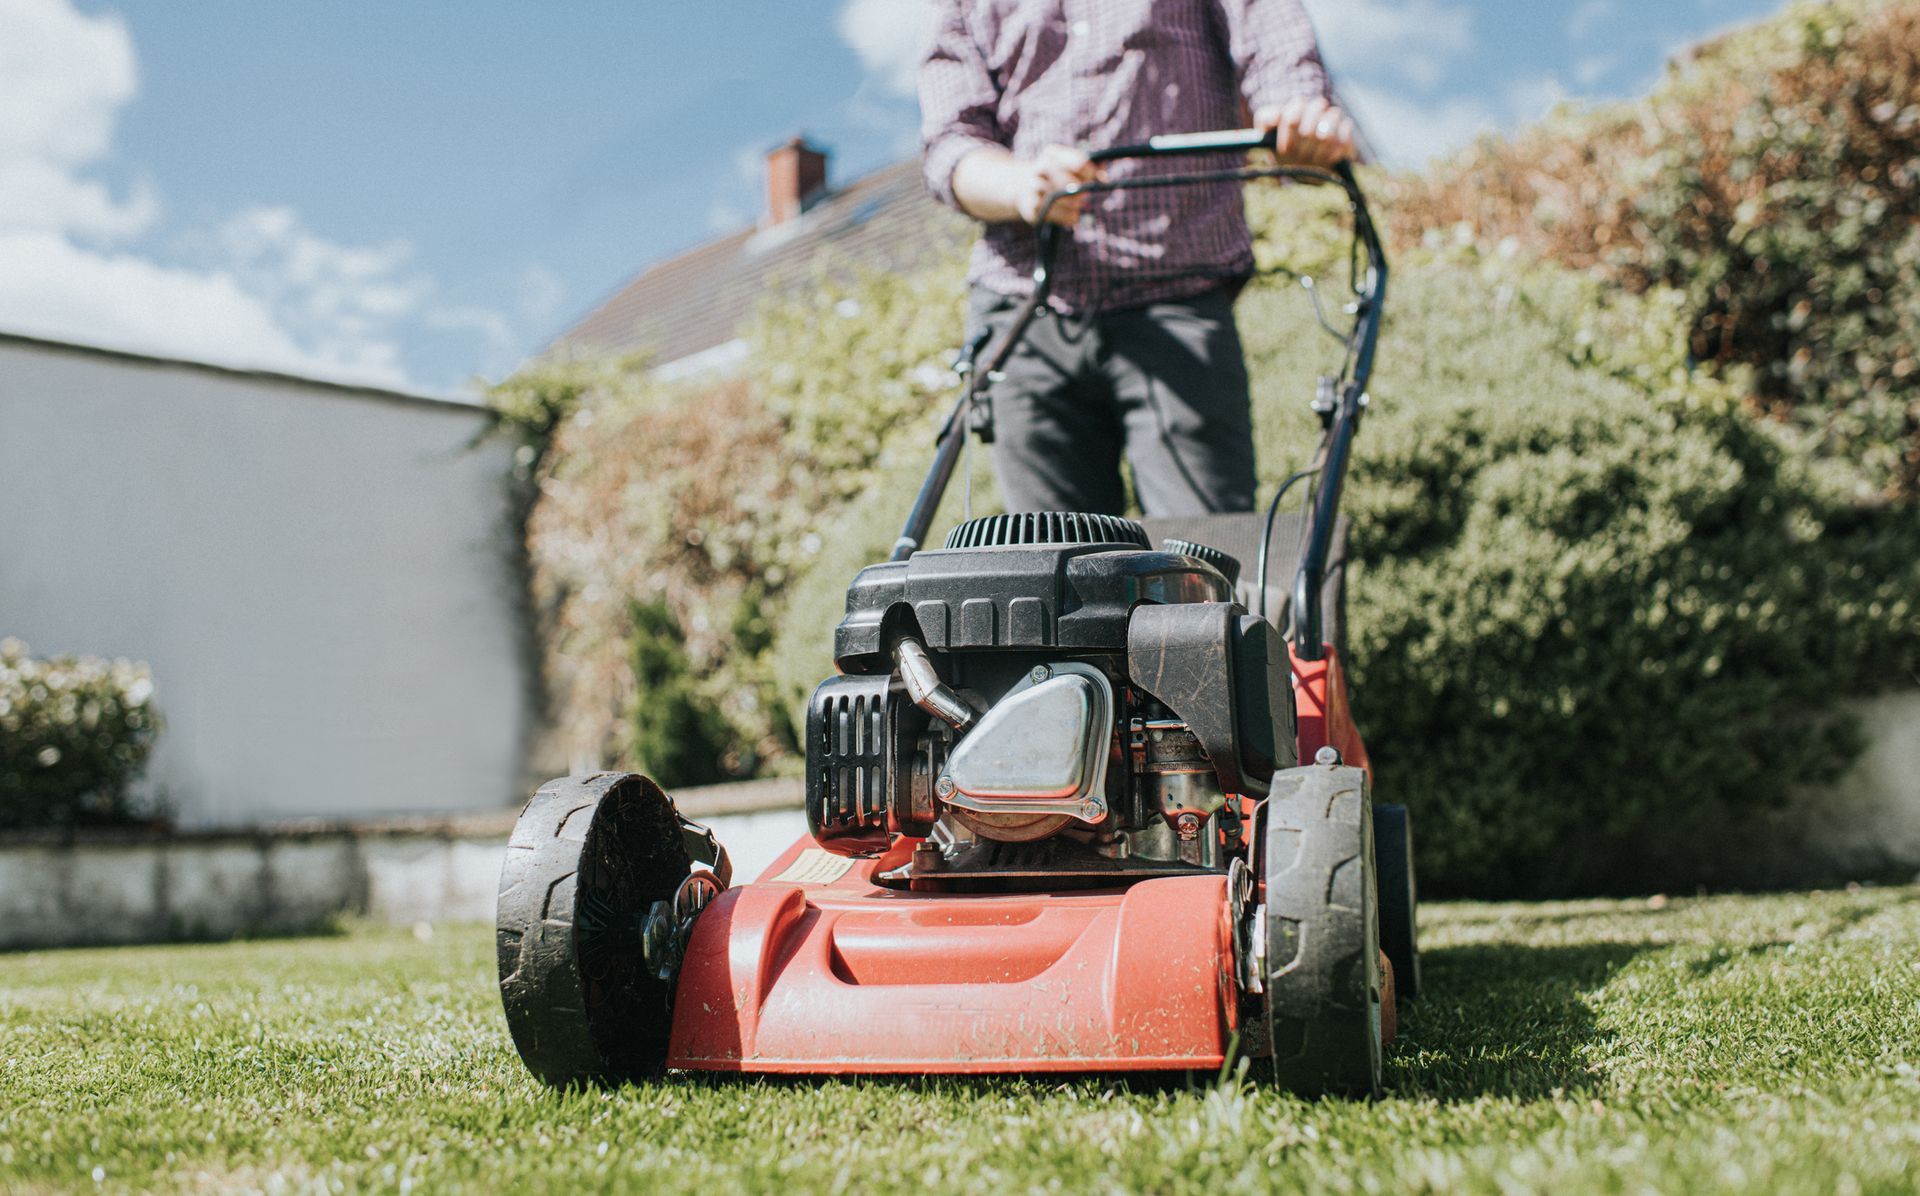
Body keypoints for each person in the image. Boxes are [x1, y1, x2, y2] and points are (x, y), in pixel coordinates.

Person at [918, 0, 1356, 518]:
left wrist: (1296, 114)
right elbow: (951, 142)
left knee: (1198, 563)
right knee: (1049, 575)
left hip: (1178, 296)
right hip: (1023, 307)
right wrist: (1021, 185)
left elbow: (1275, 44)